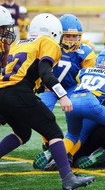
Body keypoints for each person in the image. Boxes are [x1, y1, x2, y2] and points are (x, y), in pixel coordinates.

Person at [0, 12, 95, 189]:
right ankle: (68, 179)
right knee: (54, 132)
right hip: (19, 91)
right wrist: (63, 95)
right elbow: (45, 73)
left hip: (2, 91)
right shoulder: (47, 42)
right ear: (54, 32)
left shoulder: (17, 44)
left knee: (23, 133)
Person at [36, 48, 105, 171]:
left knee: (74, 135)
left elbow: (80, 81)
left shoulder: (84, 71)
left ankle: (58, 155)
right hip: (93, 106)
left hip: (73, 102)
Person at [39, 13, 96, 150]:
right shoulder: (51, 46)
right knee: (42, 111)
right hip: (50, 86)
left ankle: (74, 141)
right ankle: (48, 142)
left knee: (76, 110)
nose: (71, 39)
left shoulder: (85, 51)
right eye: (67, 36)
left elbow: (87, 76)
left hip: (72, 87)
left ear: (79, 36)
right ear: (59, 34)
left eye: (74, 36)